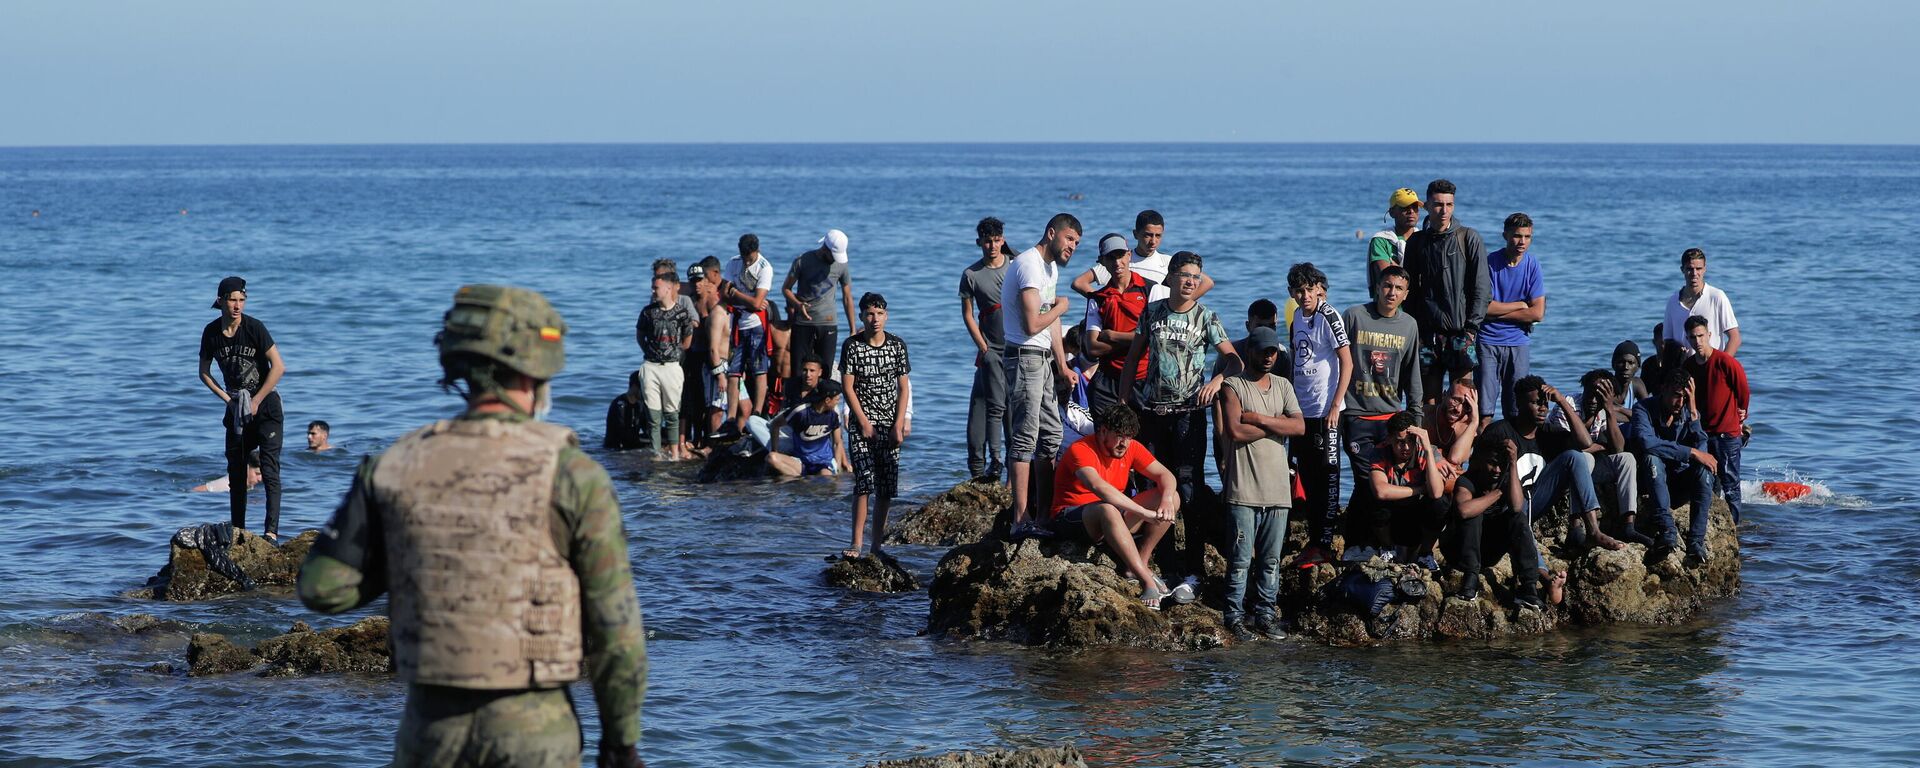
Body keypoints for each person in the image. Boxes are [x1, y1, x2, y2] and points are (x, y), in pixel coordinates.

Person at [296, 284, 647, 768]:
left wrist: (408, 554)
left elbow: (321, 589)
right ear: (537, 371)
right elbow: (617, 631)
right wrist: (620, 742)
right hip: (536, 731)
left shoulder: (394, 465)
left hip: (430, 730)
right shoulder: (573, 475)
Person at [1118, 251, 1241, 507]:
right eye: (1185, 275)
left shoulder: (1206, 317)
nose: (1191, 282)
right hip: (1152, 412)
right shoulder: (1151, 312)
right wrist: (1123, 401)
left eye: (1196, 277)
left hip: (1189, 413)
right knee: (1152, 483)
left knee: (1188, 482)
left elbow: (1235, 361)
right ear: (1171, 277)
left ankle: (1193, 546)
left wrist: (1217, 380)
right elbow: (1131, 360)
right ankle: (1160, 546)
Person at [1214, 326, 1303, 641]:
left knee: (1270, 560)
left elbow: (1300, 426)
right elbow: (1235, 432)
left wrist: (1261, 420)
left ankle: (1265, 615)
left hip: (1278, 491)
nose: (1269, 356)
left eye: (1273, 352)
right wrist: (1279, 425)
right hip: (1244, 491)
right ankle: (1234, 616)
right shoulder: (1232, 385)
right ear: (1249, 351)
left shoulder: (1283, 385)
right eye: (1263, 351)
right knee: (1239, 560)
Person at [1049, 404, 1184, 610]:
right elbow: (1099, 488)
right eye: (1119, 436)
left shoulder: (1131, 447)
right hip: (1072, 517)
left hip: (1111, 518)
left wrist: (1165, 500)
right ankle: (1146, 580)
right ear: (1103, 431)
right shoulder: (1081, 449)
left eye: (1129, 436)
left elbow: (1165, 475)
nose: (1124, 443)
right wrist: (1144, 514)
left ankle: (1139, 563)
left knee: (1172, 496)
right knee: (1108, 508)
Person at [1002, 214, 1081, 538]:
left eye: (1077, 243)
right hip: (1023, 357)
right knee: (1025, 437)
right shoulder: (1029, 264)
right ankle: (1020, 520)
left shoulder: (1050, 268)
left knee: (1051, 436)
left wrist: (1062, 365)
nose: (1073, 247)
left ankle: (1046, 518)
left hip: (1044, 360)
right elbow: (1033, 324)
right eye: (1069, 239)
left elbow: (1051, 324)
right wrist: (1062, 306)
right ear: (1051, 233)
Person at [1482, 376, 1625, 553]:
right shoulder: (1500, 431)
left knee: (1575, 457)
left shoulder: (1547, 433)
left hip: (1534, 502)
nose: (1543, 409)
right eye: (1536, 403)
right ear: (1519, 403)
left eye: (1545, 403)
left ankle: (1593, 531)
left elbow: (1585, 443)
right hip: (1506, 508)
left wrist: (1562, 401)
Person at [197, 276, 287, 543]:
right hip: (236, 410)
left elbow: (278, 367)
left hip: (267, 407)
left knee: (269, 470)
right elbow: (203, 372)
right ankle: (239, 532)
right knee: (237, 474)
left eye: (242, 300)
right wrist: (228, 400)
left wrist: (258, 399)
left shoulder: (255, 328)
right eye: (232, 300)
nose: (237, 306)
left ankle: (270, 533)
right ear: (221, 301)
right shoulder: (211, 332)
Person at [1284, 262, 1351, 564]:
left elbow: (1347, 363)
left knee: (1329, 474)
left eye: (1309, 289)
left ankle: (1324, 542)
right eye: (1299, 291)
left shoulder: (1329, 315)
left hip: (1327, 411)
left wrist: (1336, 406)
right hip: (1303, 410)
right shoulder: (1297, 315)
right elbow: (1297, 358)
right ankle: (1313, 539)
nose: (1305, 295)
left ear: (1318, 289)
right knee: (1308, 474)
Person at [1341, 264, 1423, 506]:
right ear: (1377, 287)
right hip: (1357, 415)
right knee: (1365, 479)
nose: (1392, 292)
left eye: (1399, 288)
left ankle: (1373, 540)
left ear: (1406, 294)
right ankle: (1361, 541)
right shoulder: (1354, 316)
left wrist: (1415, 418)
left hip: (1391, 417)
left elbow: (1412, 374)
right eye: (1387, 285)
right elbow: (1335, 364)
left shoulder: (1409, 325)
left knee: (1387, 481)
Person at [1403, 179, 1490, 405]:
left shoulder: (1468, 238)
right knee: (1427, 402)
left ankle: (1464, 441)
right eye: (1438, 204)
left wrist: (1471, 330)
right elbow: (1408, 291)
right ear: (1427, 205)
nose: (1444, 210)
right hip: (1427, 335)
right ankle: (1429, 441)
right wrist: (1413, 330)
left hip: (1461, 332)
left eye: (1449, 204)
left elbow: (1482, 289)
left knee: (1463, 400)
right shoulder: (1417, 242)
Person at [840, 293, 912, 559]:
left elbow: (903, 387)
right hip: (862, 423)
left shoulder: (897, 346)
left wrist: (900, 423)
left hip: (890, 423)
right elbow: (847, 386)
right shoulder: (852, 346)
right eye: (870, 314)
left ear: (886, 316)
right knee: (863, 483)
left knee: (886, 487)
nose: (875, 319)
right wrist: (863, 422)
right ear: (861, 316)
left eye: (880, 314)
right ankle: (856, 543)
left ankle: (876, 546)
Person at [1550, 369, 1650, 546]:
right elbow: (1572, 447)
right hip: (1560, 465)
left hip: (1586, 465)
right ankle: (1575, 526)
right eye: (1590, 393)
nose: (1593, 400)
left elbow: (1618, 447)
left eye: (1599, 396)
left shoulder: (1603, 409)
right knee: (1583, 459)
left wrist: (1610, 410)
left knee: (1626, 459)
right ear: (1584, 389)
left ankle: (1628, 525)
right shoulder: (1569, 405)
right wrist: (1600, 446)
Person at [1628, 371, 1719, 562]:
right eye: (1676, 395)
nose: (1680, 402)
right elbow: (1647, 443)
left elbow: (1703, 450)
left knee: (1705, 471)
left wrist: (1693, 413)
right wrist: (1690, 452)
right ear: (1663, 390)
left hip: (1678, 482)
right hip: (1650, 481)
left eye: (1685, 397)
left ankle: (1695, 543)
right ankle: (1667, 530)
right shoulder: (1643, 409)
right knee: (1652, 458)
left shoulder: (1688, 412)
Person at [1449, 433, 1544, 609]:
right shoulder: (1468, 480)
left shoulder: (1507, 478)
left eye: (1501, 464)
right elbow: (1463, 511)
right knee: (1474, 513)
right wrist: (1497, 494)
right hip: (1461, 550)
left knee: (1518, 519)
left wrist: (1514, 463)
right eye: (1492, 463)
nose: (1497, 470)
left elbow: (1516, 506)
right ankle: (1470, 579)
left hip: (1489, 551)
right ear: (1481, 460)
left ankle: (1528, 587)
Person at [1478, 212, 1546, 424]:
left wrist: (1499, 311)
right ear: (1505, 235)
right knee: (1484, 411)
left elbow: (1537, 313)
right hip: (1488, 341)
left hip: (1518, 342)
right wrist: (1519, 305)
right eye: (1517, 236)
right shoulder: (1489, 263)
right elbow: (1483, 309)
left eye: (1527, 237)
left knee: (1518, 410)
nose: (1522, 242)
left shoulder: (1532, 265)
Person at [1683, 315, 1751, 524]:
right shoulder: (1689, 366)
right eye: (1693, 337)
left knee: (1731, 484)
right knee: (1709, 483)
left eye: (1701, 336)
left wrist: (1742, 414)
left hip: (1727, 434)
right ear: (1688, 339)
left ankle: (1734, 527)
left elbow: (1743, 392)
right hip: (1703, 433)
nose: (1698, 341)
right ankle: (1712, 525)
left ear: (1709, 335)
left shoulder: (1726, 362)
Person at [958, 217, 1012, 481]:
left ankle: (1010, 475)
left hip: (1014, 351)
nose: (992, 246)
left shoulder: (1015, 265)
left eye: (996, 240)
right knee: (993, 407)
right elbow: (968, 315)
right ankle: (985, 469)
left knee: (1006, 410)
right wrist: (983, 347)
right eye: (987, 241)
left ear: (1003, 239)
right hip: (990, 351)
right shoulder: (971, 275)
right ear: (979, 242)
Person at [1363, 412, 1451, 569]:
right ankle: (1388, 548)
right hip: (1393, 518)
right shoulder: (1380, 451)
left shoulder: (1426, 450)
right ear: (1389, 439)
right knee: (1372, 498)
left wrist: (1428, 450)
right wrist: (1419, 489)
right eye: (1400, 442)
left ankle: (1425, 554)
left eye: (1411, 441)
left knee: (1441, 503)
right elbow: (1381, 491)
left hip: (1417, 518)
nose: (1406, 447)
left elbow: (1436, 492)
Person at [1069, 210, 1213, 303]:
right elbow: (1079, 283)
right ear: (1135, 234)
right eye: (1148, 235)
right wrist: (1105, 301)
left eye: (1158, 236)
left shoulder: (1168, 262)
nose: (1153, 241)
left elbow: (1207, 282)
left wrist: (1178, 305)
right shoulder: (1120, 261)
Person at [1079, 233, 1152, 415]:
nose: (1117, 262)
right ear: (1102, 261)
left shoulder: (1150, 289)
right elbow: (1093, 348)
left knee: (1144, 443)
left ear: (1129, 255)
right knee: (1106, 440)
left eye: (1120, 255)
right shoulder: (1098, 298)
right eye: (1110, 257)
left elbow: (1155, 337)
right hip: (1107, 383)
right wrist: (1138, 340)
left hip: (1143, 380)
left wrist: (1112, 336)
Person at [636, 273, 696, 460]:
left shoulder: (682, 313)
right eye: (653, 287)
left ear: (668, 289)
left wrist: (673, 353)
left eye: (656, 287)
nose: (653, 291)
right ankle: (655, 454)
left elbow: (687, 340)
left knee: (672, 413)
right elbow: (640, 335)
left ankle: (675, 453)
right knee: (653, 415)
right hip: (651, 366)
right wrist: (650, 351)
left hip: (671, 367)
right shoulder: (648, 312)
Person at [782, 229, 857, 378]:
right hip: (803, 323)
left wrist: (852, 329)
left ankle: (822, 401)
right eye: (833, 255)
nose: (835, 259)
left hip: (828, 323)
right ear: (825, 248)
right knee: (799, 372)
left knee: (825, 371)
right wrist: (797, 305)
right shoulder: (802, 261)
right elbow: (786, 289)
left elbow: (847, 297)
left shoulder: (842, 265)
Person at [723, 234, 775, 431]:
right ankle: (730, 417)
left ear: (757, 250)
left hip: (756, 325)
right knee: (733, 371)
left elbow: (756, 302)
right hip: (738, 322)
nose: (746, 260)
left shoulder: (764, 268)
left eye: (749, 257)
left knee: (759, 370)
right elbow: (724, 294)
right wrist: (746, 300)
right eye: (743, 255)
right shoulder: (733, 263)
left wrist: (736, 294)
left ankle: (758, 412)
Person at [1663, 248, 1741, 356]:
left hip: (1710, 366)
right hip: (1683, 369)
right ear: (1682, 270)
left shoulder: (1716, 297)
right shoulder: (1673, 301)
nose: (1694, 273)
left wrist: (1720, 365)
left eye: (1698, 268)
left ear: (1704, 269)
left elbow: (1735, 338)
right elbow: (1667, 340)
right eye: (1690, 269)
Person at [765, 380, 850, 478]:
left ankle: (803, 480)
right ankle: (801, 479)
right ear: (827, 400)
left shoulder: (833, 415)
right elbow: (775, 424)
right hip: (801, 462)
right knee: (771, 457)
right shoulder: (801, 412)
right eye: (836, 399)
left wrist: (838, 468)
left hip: (823, 464)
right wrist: (775, 449)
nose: (837, 402)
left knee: (826, 476)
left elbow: (837, 443)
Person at [1366, 187, 1422, 297]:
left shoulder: (1423, 238)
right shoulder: (1381, 240)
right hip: (1387, 308)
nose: (1411, 211)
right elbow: (1390, 278)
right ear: (1392, 212)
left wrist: (1399, 269)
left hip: (1416, 306)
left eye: (1415, 207)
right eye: (1405, 207)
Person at [605, 370, 650, 451]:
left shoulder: (640, 404)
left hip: (632, 444)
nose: (647, 392)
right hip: (616, 448)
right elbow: (623, 435)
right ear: (634, 387)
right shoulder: (620, 405)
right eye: (644, 389)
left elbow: (647, 428)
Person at [193, 451, 261, 493]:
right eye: (257, 474)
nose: (260, 479)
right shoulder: (225, 486)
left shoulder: (248, 485)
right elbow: (196, 490)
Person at [1609, 340, 1650, 408]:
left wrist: (1619, 410)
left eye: (1631, 363)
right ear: (1613, 364)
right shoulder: (1607, 386)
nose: (1626, 367)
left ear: (1638, 366)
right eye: (1621, 362)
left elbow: (1649, 411)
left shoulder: (1636, 384)